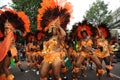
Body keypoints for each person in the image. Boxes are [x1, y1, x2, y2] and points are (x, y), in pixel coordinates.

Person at [37, 0, 73, 80]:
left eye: (54, 27)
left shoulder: (59, 37)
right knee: (42, 74)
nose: (53, 28)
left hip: (56, 56)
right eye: (52, 27)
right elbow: (44, 49)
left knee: (56, 76)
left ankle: (64, 72)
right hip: (47, 57)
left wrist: (59, 26)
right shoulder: (48, 38)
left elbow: (64, 35)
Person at [0, 9, 30, 80]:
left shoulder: (11, 36)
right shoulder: (7, 36)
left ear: (11, 29)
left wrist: (9, 55)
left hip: (10, 52)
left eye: (7, 28)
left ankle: (14, 75)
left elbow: (8, 47)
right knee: (1, 68)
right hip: (8, 52)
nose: (5, 31)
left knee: (4, 67)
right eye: (4, 28)